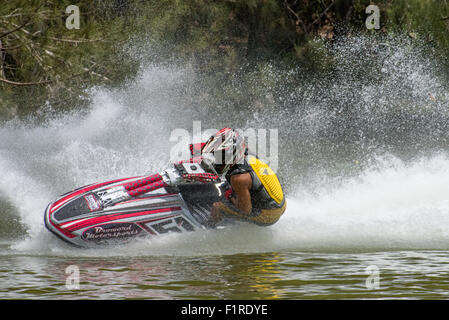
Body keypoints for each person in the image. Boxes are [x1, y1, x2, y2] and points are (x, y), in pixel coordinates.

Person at [198, 128, 286, 227]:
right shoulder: (246, 153)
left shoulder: (238, 178)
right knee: (229, 191)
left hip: (269, 215)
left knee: (218, 207)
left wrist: (232, 199)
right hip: (280, 203)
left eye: (219, 156)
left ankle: (207, 228)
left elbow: (245, 210)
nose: (216, 160)